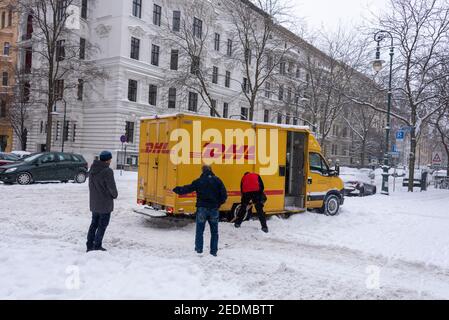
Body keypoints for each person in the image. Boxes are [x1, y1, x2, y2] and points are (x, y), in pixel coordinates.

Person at [173, 165, 227, 257]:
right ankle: (213, 252)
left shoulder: (199, 181)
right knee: (214, 232)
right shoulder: (218, 181)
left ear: (202, 171)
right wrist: (218, 204)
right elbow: (224, 195)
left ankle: (199, 250)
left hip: (202, 208)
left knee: (199, 230)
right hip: (214, 209)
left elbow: (188, 188)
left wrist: (177, 189)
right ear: (211, 170)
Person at [86, 151, 118, 252]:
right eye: (110, 159)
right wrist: (114, 195)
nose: (110, 160)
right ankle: (97, 245)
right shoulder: (107, 171)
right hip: (104, 204)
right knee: (102, 226)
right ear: (108, 160)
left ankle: (89, 244)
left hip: (94, 203)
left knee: (94, 224)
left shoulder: (92, 169)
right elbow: (112, 188)